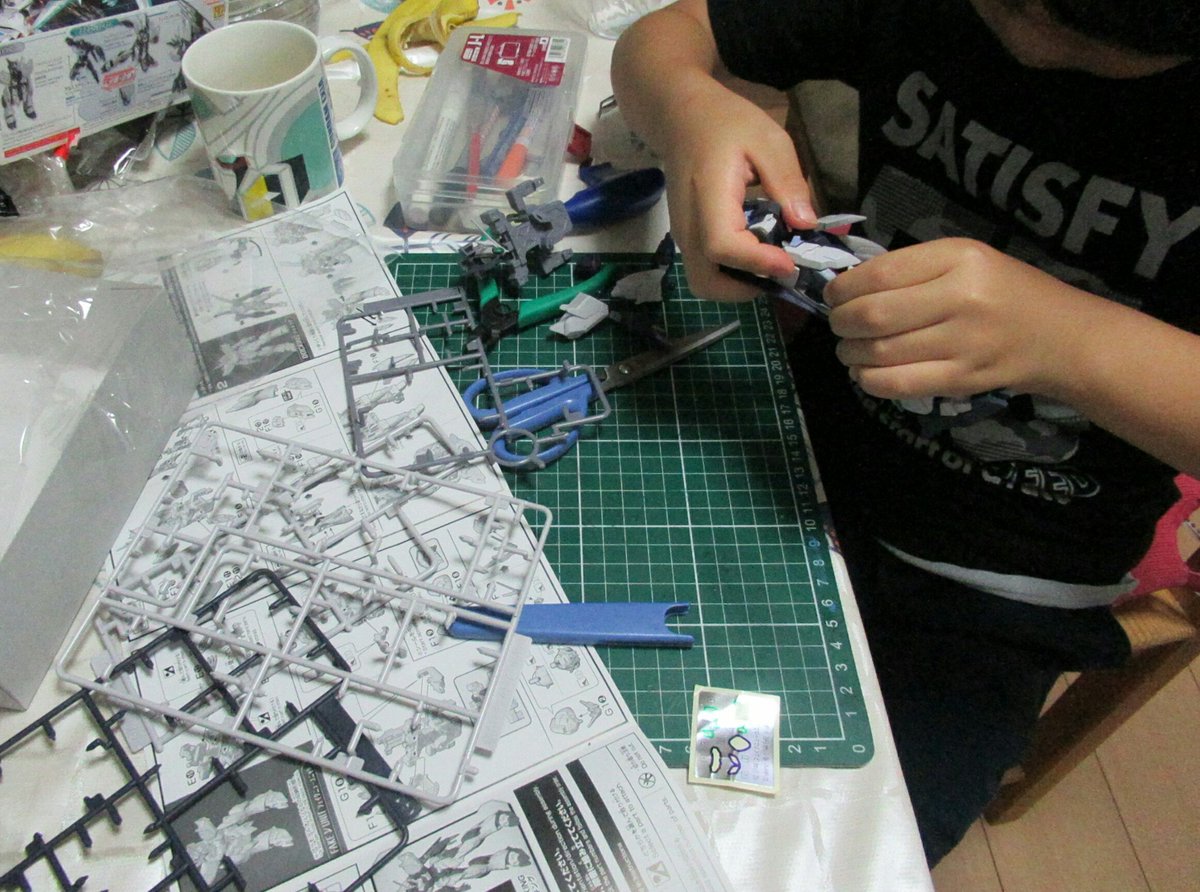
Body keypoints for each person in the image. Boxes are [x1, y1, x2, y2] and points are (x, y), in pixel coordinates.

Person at [612, 0, 1200, 866]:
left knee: (829, 844)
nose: (1027, 39)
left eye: (1093, 36)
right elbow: (660, 38)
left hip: (993, 588)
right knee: (679, 756)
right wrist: (687, 112)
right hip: (798, 463)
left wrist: (1077, 343)